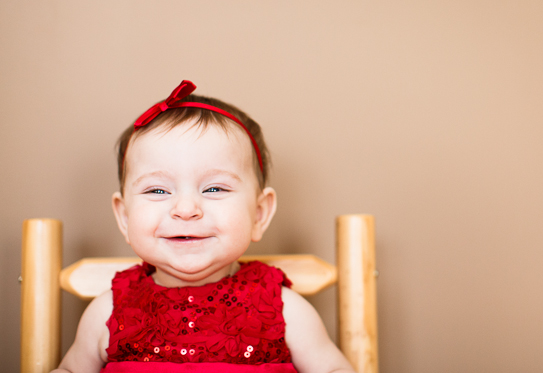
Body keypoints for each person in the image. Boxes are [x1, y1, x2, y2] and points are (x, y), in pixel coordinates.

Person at [54, 81, 355, 373]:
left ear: (259, 215)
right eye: (157, 191)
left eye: (214, 189)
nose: (186, 210)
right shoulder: (108, 313)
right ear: (124, 217)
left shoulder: (283, 310)